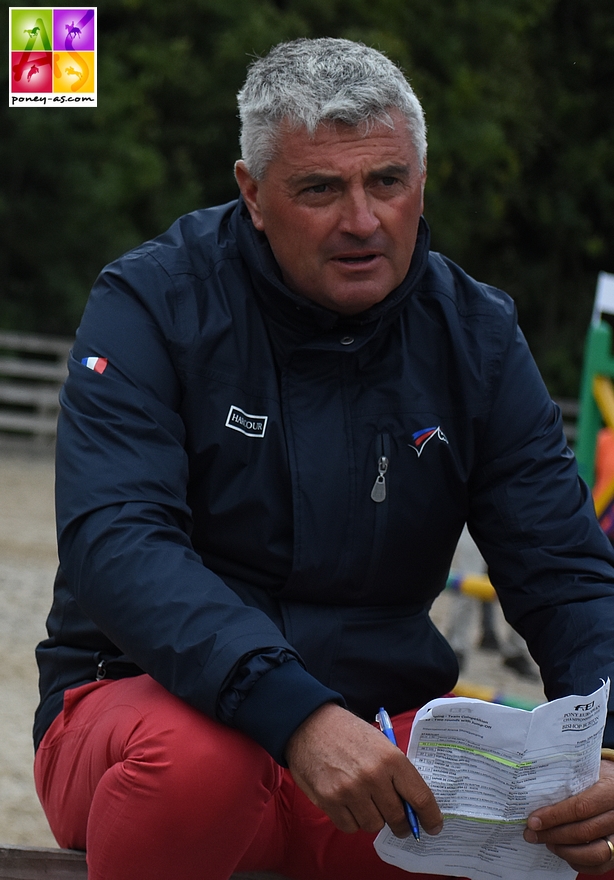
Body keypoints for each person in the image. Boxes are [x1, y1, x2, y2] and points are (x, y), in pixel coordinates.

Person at [33, 36, 614, 880]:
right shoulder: (151, 300)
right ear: (253, 194)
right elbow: (118, 543)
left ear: (422, 178)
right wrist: (295, 713)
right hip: (142, 710)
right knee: (205, 765)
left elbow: (566, 570)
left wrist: (607, 743)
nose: (363, 220)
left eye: (388, 181)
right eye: (320, 189)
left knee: (569, 814)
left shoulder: (477, 335)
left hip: (373, 731)